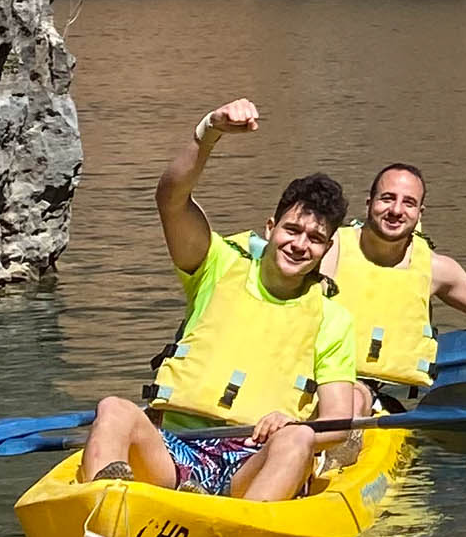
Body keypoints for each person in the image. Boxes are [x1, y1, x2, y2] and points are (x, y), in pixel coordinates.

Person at [79, 103, 370, 502]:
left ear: (327, 248)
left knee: (299, 438)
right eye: (292, 229)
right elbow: (171, 200)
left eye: (314, 239)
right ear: (271, 228)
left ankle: (239, 536)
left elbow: (336, 421)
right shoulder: (214, 264)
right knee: (113, 408)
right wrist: (207, 132)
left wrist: (290, 420)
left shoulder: (332, 319)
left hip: (254, 459)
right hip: (175, 446)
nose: (300, 245)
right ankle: (102, 512)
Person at [325, 159, 466, 388]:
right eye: (387, 198)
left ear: (419, 213)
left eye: (408, 203)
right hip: (324, 380)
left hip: (386, 396)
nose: (396, 210)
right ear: (369, 203)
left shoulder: (436, 268)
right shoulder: (328, 248)